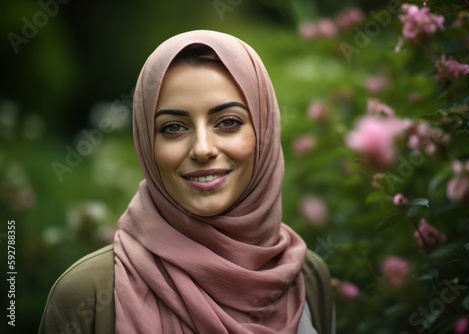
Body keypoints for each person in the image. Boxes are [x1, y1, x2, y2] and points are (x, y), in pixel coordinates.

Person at [38, 30, 334, 334]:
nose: (203, 149)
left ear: (264, 130)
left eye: (228, 122)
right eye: (174, 127)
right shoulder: (86, 295)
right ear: (146, 142)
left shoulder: (307, 279)